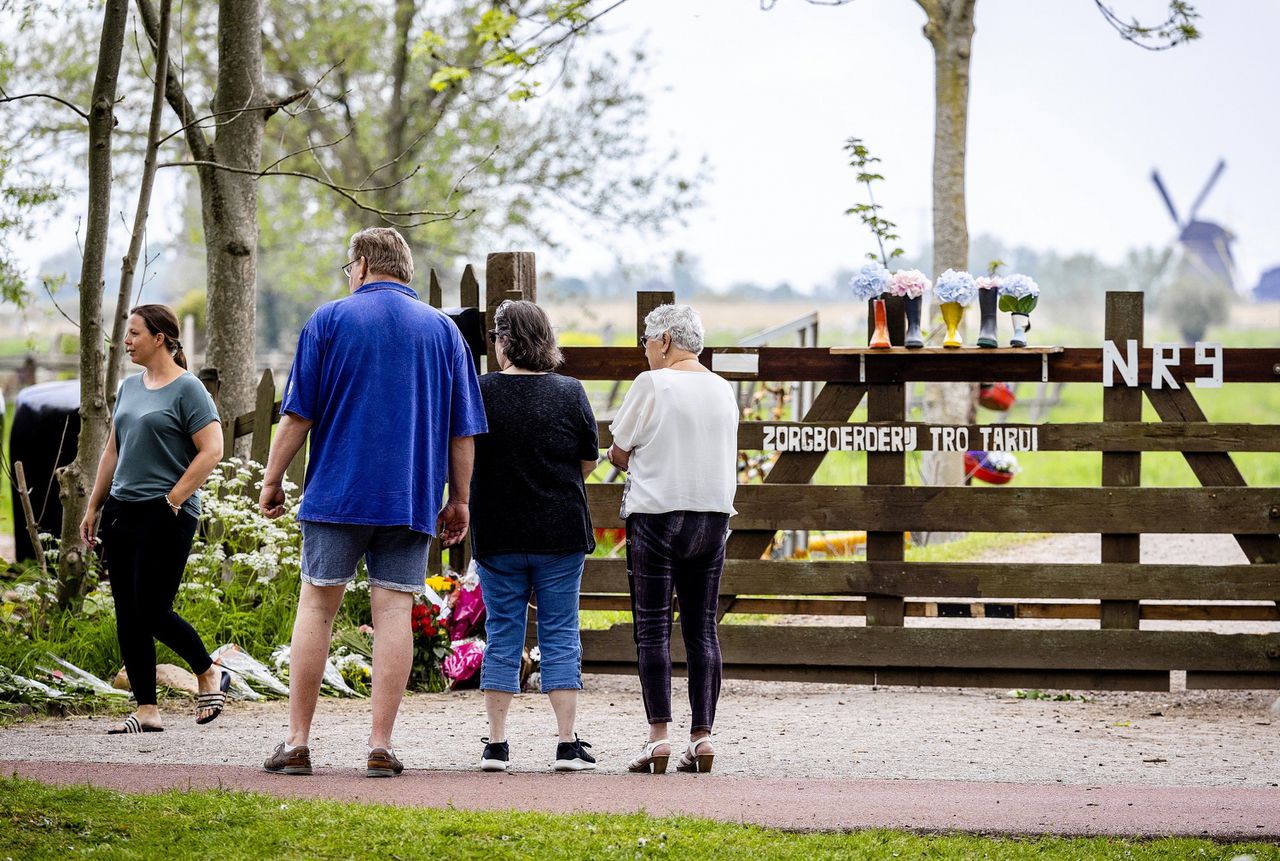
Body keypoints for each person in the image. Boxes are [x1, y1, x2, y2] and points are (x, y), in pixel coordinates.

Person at [259, 227, 486, 778]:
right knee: (394, 613)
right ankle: (380, 745)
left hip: (336, 492)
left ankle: (297, 743)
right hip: (408, 497)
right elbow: (463, 432)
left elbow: (297, 414)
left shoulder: (329, 321)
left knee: (317, 606)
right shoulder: (443, 333)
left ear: (361, 264)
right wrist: (460, 500)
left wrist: (271, 479)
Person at [80, 304, 227, 734]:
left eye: (134, 334)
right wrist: (93, 506)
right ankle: (147, 708)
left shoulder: (189, 389)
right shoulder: (129, 387)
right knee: (127, 611)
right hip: (122, 510)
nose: (125, 341)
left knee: (152, 609)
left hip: (167, 511)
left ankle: (207, 670)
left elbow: (212, 449)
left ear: (160, 338)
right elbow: (112, 450)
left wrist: (175, 498)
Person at [607, 304, 738, 774]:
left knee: (653, 629)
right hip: (713, 516)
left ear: (663, 339)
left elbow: (619, 451)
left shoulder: (653, 384)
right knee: (702, 629)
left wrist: (628, 456)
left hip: (658, 514)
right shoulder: (724, 389)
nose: (644, 350)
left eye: (645, 340)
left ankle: (658, 737)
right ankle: (702, 737)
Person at [469, 300, 599, 773]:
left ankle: (496, 746)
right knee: (561, 631)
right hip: (560, 531)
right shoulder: (569, 392)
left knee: (502, 632)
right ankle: (566, 743)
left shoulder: (480, 392)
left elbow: (465, 455)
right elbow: (588, 459)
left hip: (499, 532)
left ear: (504, 340)